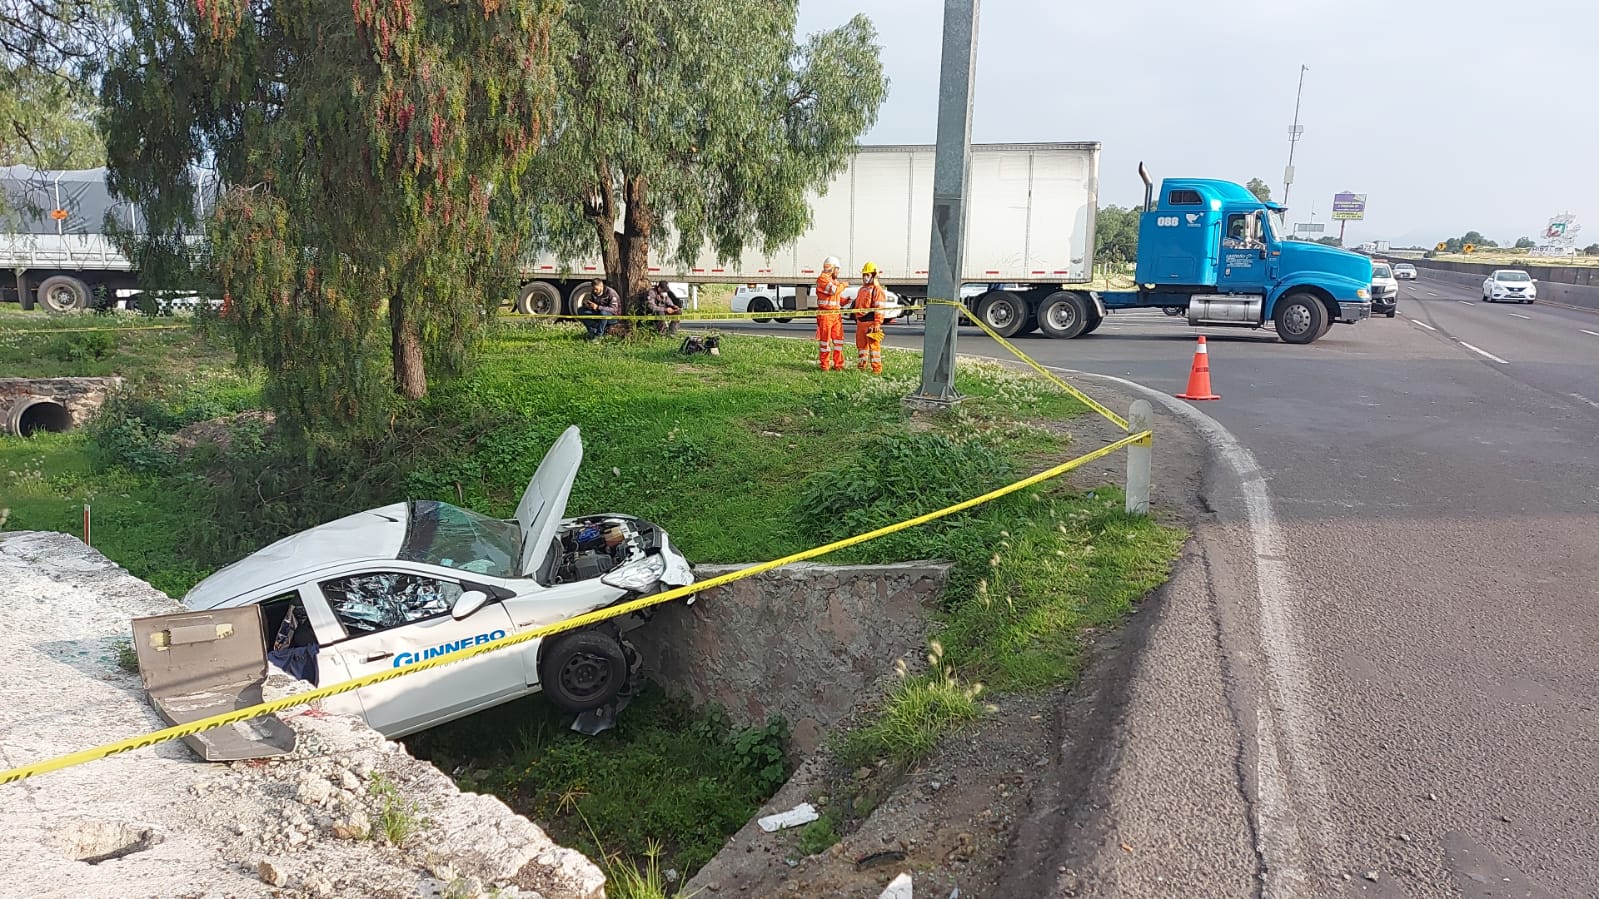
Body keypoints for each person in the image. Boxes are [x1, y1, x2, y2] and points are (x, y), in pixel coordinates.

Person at [853, 262, 886, 374]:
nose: (865, 277)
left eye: (867, 274)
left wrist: (877, 323)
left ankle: (876, 369)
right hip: (861, 323)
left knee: (874, 348)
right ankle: (861, 366)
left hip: (871, 323)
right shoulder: (862, 289)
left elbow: (879, 308)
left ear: (873, 275)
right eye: (864, 274)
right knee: (861, 347)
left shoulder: (877, 290)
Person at [814, 256, 846, 371]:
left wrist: (844, 301)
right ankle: (825, 365)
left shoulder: (834, 281)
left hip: (836, 315)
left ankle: (838, 365)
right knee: (825, 342)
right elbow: (833, 291)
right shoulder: (822, 279)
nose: (838, 272)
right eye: (837, 269)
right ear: (832, 268)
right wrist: (843, 285)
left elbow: (835, 296)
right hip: (826, 316)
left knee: (838, 341)